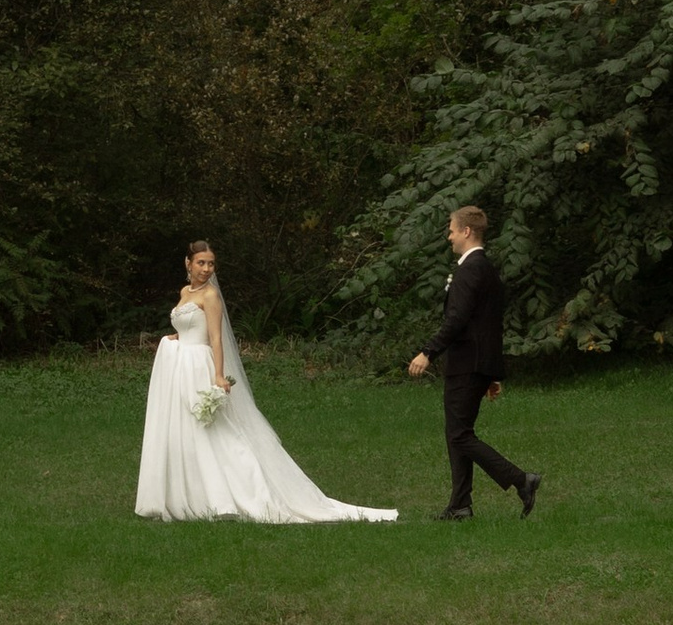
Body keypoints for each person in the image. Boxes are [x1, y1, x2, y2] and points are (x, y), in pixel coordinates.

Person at [137, 240, 397, 523]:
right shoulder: (185, 292)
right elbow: (190, 325)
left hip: (200, 365)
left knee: (214, 430)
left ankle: (236, 492)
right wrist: (177, 336)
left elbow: (215, 338)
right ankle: (190, 493)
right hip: (181, 367)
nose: (207, 269)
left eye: (211, 263)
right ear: (188, 263)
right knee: (187, 430)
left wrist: (219, 375)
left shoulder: (211, 295)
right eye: (201, 263)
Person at [406, 206, 541, 521]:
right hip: (477, 364)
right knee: (458, 433)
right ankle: (460, 505)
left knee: (459, 436)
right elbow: (488, 323)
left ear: (466, 231)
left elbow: (457, 320)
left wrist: (428, 352)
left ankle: (521, 480)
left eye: (452, 230)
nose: (449, 236)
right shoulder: (486, 268)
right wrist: (490, 372)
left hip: (467, 363)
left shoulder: (470, 270)